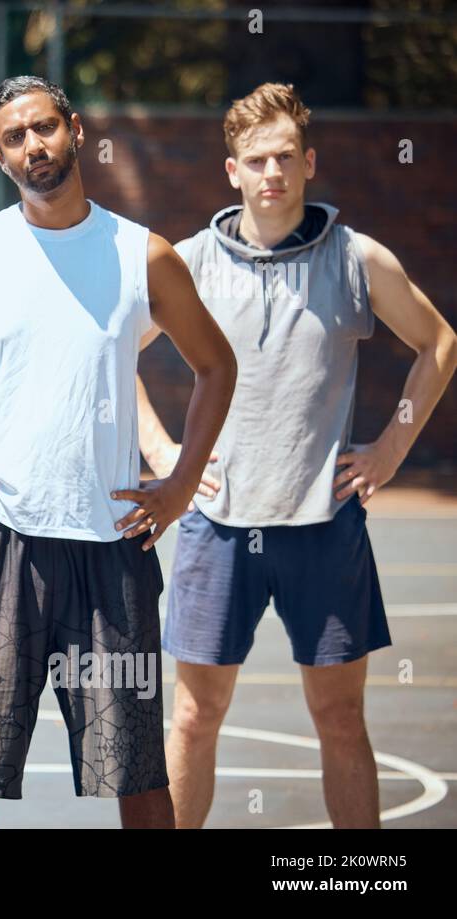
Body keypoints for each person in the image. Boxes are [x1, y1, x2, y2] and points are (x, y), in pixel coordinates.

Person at [0, 75, 236, 829]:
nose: (35, 146)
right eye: (15, 137)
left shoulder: (140, 253)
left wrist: (182, 481)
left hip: (108, 547)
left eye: (45, 128)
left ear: (76, 130)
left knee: (139, 779)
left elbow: (217, 366)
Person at [137, 82, 457, 829]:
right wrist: (161, 449)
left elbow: (440, 346)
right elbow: (114, 356)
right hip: (218, 526)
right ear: (233, 171)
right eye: (257, 159)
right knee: (191, 717)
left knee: (340, 719)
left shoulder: (356, 258)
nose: (272, 172)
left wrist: (390, 449)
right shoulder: (191, 263)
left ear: (309, 162)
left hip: (325, 525)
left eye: (285, 156)